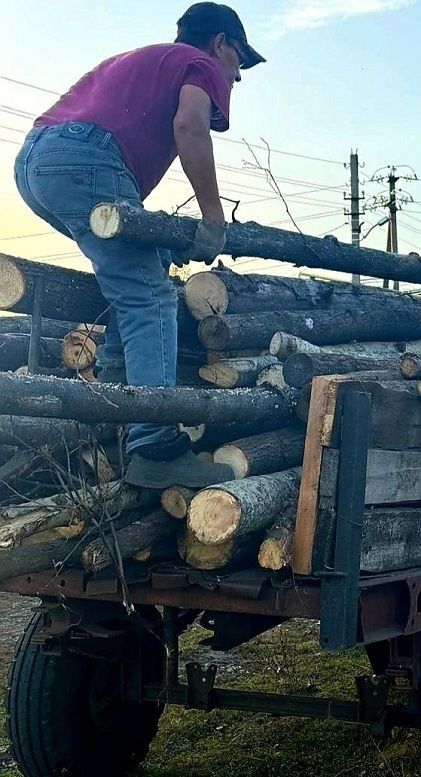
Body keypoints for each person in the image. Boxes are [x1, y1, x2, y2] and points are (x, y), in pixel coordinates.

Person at [13, 3, 265, 488]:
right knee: (150, 296)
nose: (236, 76)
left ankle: (112, 397)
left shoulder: (141, 60)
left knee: (135, 280)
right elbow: (191, 126)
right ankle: (154, 445)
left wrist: (160, 245)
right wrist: (212, 216)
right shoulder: (201, 65)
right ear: (219, 44)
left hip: (36, 162)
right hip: (87, 157)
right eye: (239, 60)